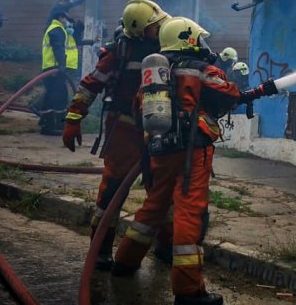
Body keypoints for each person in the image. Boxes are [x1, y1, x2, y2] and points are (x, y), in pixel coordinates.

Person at [112, 17, 261, 305]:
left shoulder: (156, 70)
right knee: (189, 212)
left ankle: (125, 262)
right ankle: (189, 291)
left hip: (159, 149)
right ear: (188, 39)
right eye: (199, 39)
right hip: (193, 149)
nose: (204, 45)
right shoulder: (201, 69)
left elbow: (137, 105)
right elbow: (228, 93)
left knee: (155, 205)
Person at [61, 0, 172, 270]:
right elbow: (91, 85)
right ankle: (100, 251)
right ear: (140, 30)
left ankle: (167, 246)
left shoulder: (167, 49)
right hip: (124, 128)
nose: (160, 30)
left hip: (158, 127)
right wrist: (73, 118)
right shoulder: (119, 52)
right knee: (112, 191)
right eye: (154, 27)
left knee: (163, 189)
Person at [39, 11, 77, 136]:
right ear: (61, 18)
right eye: (66, 18)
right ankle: (55, 126)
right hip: (54, 69)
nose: (68, 21)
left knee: (51, 95)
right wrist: (62, 66)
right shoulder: (57, 29)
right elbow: (58, 48)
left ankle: (47, 124)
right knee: (59, 97)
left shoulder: (56, 29)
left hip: (51, 68)